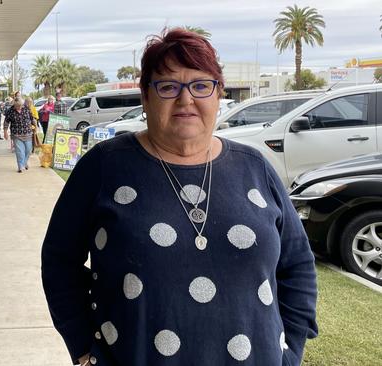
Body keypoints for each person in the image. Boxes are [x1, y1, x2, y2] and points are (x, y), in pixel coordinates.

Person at [41, 27, 318, 366]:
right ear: (145, 97)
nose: (186, 99)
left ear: (218, 95)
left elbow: (298, 264)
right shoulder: (104, 167)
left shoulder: (255, 168)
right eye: (168, 86)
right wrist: (83, 347)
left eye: (201, 85)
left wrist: (291, 351)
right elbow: (59, 260)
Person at [3, 97, 35, 173]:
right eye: (17, 106)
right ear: (14, 105)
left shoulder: (26, 108)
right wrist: (5, 132)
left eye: (20, 105)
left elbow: (31, 118)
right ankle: (20, 166)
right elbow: (6, 122)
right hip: (16, 134)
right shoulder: (10, 111)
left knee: (28, 150)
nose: (19, 107)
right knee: (20, 151)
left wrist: (35, 123)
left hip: (27, 133)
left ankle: (24, 162)